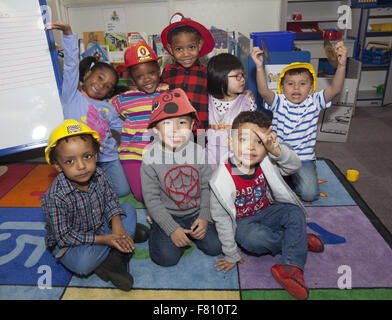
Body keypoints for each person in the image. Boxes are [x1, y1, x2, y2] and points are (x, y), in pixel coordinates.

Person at [210, 111, 324, 300]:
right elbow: (221, 219)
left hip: (267, 211)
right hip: (242, 223)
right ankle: (297, 241)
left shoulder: (267, 161)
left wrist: (277, 151)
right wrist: (230, 254)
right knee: (253, 240)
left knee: (295, 212)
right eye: (244, 140)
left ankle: (289, 265)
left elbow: (294, 166)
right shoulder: (220, 179)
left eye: (259, 142)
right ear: (230, 143)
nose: (251, 147)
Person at [41, 120, 149, 291]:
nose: (82, 166)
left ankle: (118, 244)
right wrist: (107, 239)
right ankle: (118, 249)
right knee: (83, 265)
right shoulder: (55, 197)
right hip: (74, 243)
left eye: (87, 156)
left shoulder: (99, 174)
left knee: (128, 208)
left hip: (100, 227)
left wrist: (117, 225)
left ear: (96, 155)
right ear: (58, 166)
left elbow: (111, 199)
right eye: (69, 161)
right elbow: (65, 237)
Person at [250, 42, 348, 201]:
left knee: (310, 194)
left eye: (302, 84)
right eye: (290, 84)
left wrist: (342, 65)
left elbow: (335, 89)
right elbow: (263, 91)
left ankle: (292, 179)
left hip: (304, 158)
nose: (296, 88)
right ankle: (286, 177)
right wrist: (260, 67)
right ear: (281, 88)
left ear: (311, 89)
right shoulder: (279, 101)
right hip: (279, 155)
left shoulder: (315, 101)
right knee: (264, 192)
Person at [47, 21, 130, 198]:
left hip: (107, 157)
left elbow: (124, 129)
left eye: (108, 86)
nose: (101, 86)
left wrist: (143, 135)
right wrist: (68, 34)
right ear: (86, 75)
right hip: (79, 157)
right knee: (79, 192)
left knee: (123, 190)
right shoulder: (72, 96)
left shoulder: (108, 107)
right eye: (99, 78)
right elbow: (70, 66)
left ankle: (98, 191)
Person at [140, 88, 222, 267]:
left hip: (196, 212)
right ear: (155, 129)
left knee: (217, 247)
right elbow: (151, 199)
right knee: (165, 259)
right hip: (168, 214)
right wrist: (171, 229)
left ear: (192, 126)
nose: (176, 129)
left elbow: (207, 188)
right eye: (167, 123)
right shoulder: (150, 158)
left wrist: (204, 217)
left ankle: (193, 230)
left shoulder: (199, 152)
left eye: (182, 122)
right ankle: (157, 226)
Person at [109, 41, 169, 202]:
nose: (147, 79)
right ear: (132, 80)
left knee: (170, 190)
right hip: (132, 155)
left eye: (151, 73)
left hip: (161, 154)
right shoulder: (123, 99)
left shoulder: (167, 91)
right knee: (141, 195)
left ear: (159, 71)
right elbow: (103, 110)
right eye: (140, 76)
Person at [160, 12, 215, 131]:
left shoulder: (207, 72)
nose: (186, 54)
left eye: (191, 47)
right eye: (179, 49)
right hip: (174, 130)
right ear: (170, 49)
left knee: (199, 150)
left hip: (200, 131)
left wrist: (242, 94)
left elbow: (222, 92)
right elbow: (158, 96)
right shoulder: (167, 72)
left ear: (199, 45)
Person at [207, 53, 257, 169]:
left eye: (243, 75)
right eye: (236, 76)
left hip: (236, 157)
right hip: (210, 158)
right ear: (220, 77)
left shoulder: (246, 100)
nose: (242, 79)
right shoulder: (206, 99)